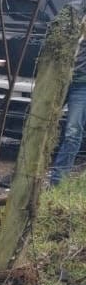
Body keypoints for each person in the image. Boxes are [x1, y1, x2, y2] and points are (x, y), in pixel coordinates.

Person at [49, 9, 86, 186]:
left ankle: (57, 181)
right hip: (59, 79)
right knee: (39, 123)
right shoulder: (73, 10)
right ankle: (26, 175)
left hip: (82, 84)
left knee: (73, 131)